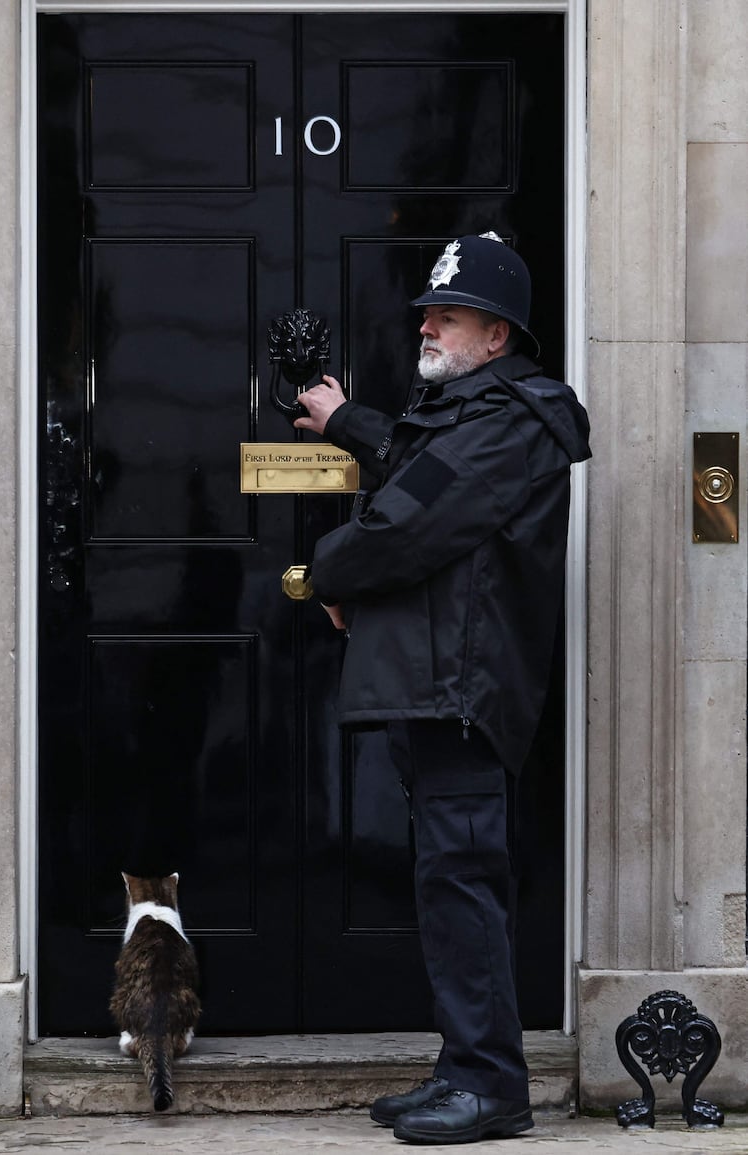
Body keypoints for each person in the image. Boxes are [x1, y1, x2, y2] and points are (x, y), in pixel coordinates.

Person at [295, 232, 591, 1145]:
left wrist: (326, 573)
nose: (426, 322)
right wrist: (347, 418)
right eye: (428, 308)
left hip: (461, 689)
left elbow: (409, 524)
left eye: (448, 315)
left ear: (497, 336)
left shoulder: (509, 421)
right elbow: (417, 460)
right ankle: (467, 1064)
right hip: (440, 684)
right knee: (448, 882)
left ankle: (492, 1084)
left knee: (461, 882)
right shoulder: (476, 411)